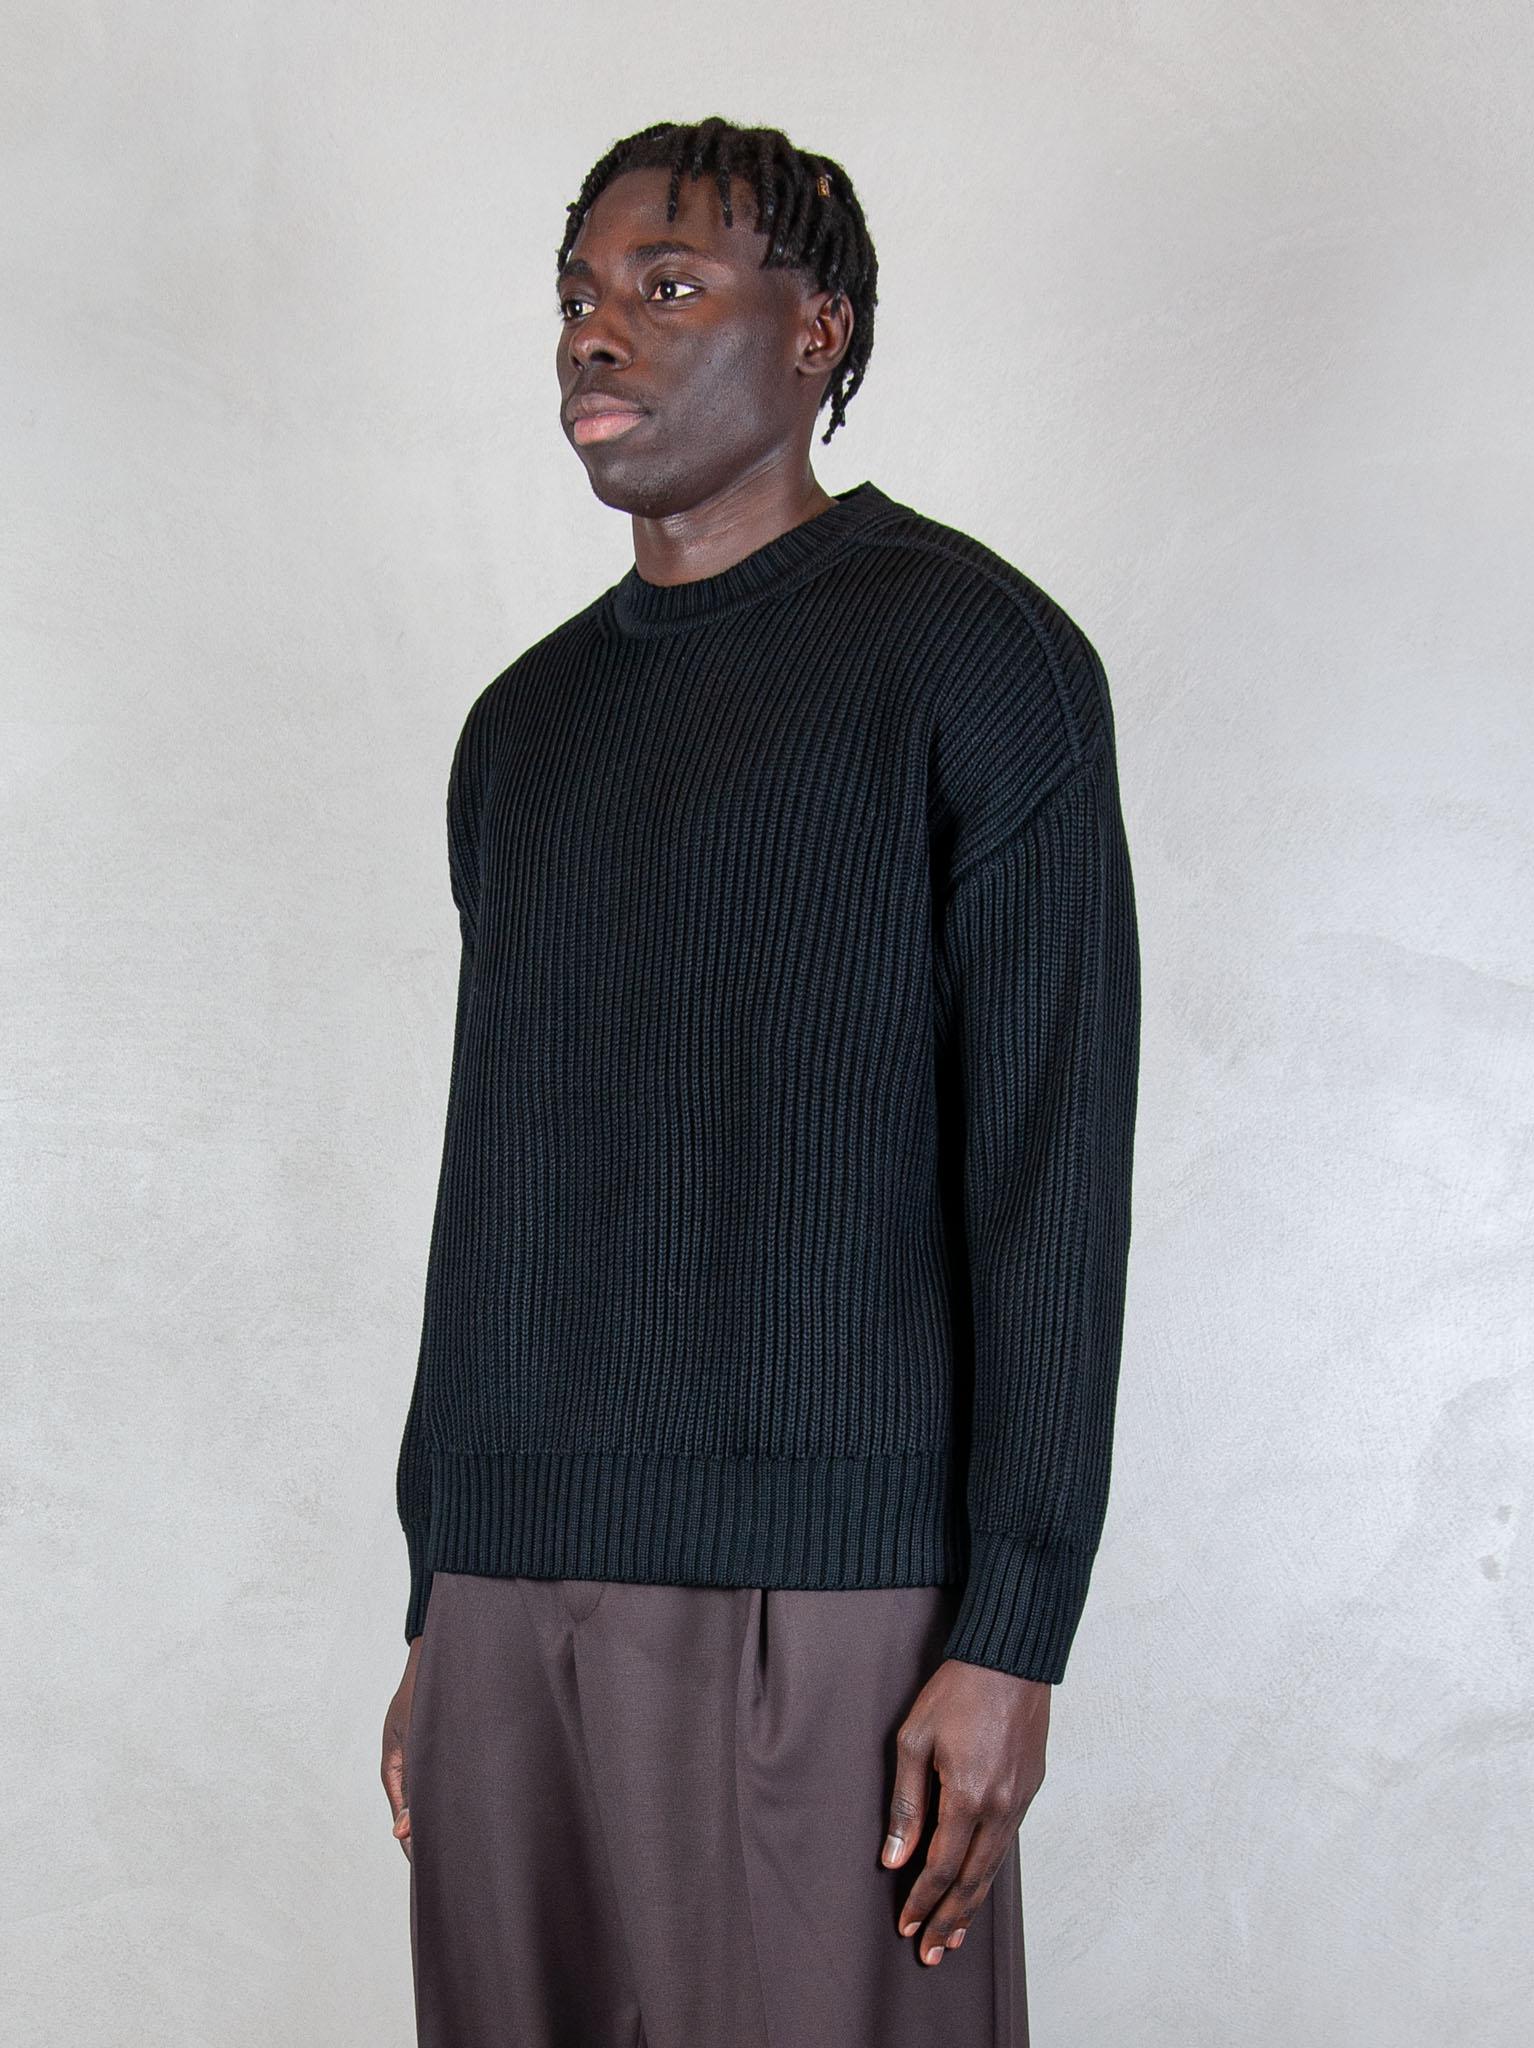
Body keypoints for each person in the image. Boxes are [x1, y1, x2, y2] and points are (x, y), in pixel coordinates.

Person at [380, 114, 1141, 2048]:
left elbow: (1049, 1171)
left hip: (829, 1597)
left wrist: (1011, 1631)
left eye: (667, 286)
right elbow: (501, 1176)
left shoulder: (973, 659)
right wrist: (437, 1594)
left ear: (818, 334)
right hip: (507, 1578)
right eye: (578, 294)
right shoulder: (522, 730)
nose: (595, 333)